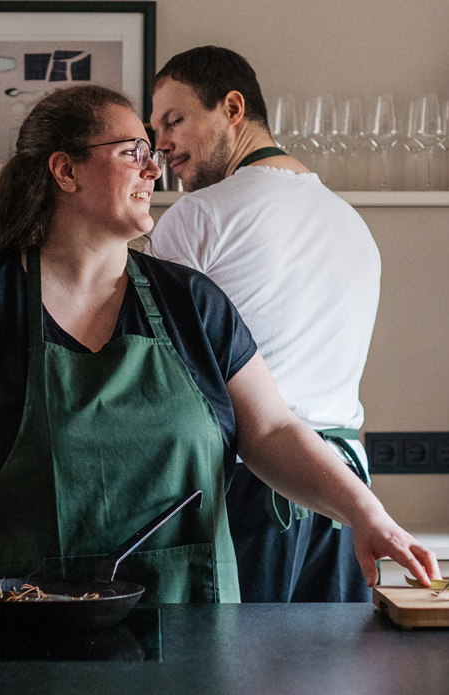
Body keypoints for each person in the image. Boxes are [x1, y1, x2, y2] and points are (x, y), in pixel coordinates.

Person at [0, 83, 438, 602]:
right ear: (65, 170)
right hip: (11, 636)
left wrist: (366, 512)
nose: (154, 169)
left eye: (152, 153)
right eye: (133, 152)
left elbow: (271, 431)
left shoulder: (193, 303)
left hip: (184, 636)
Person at [147, 46, 385, 602]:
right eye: (155, 130)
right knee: (332, 658)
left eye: (174, 121)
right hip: (344, 495)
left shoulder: (198, 216)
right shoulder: (351, 224)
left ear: (233, 108)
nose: (161, 145)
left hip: (247, 492)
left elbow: (160, 373)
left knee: (230, 659)